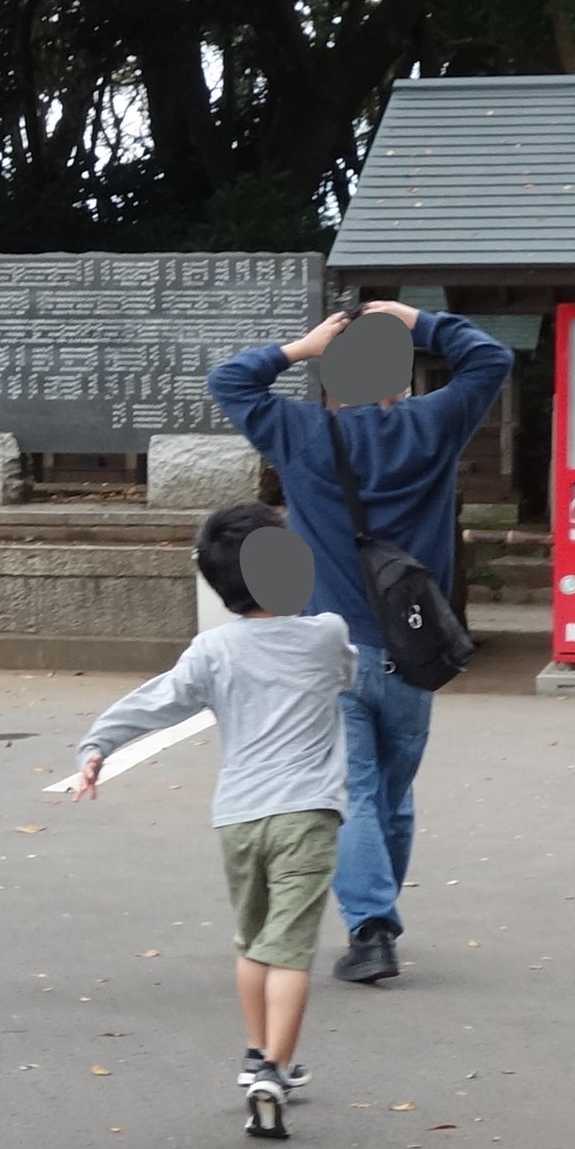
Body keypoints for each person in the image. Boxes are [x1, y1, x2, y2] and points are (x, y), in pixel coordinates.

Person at [203, 293, 514, 986]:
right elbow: (490, 357)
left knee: (357, 794)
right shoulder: (433, 423)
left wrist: (301, 347)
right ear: (402, 381)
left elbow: (228, 379)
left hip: (327, 649)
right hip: (414, 646)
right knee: (394, 793)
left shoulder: (301, 433)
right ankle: (377, 911)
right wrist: (415, 320)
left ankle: (372, 927)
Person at [60, 502, 364, 1138]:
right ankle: (273, 1072)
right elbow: (347, 673)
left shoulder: (213, 649)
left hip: (238, 817)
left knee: (253, 941)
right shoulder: (326, 634)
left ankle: (259, 1053)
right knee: (292, 949)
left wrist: (97, 746)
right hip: (305, 813)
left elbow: (157, 702)